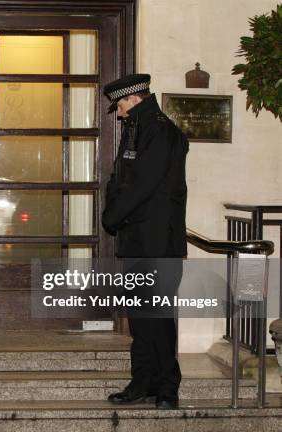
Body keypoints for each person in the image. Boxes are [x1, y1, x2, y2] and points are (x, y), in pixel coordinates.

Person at [101, 74, 189, 409]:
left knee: (159, 318)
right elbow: (119, 178)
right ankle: (143, 381)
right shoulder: (138, 128)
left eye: (121, 105)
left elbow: (143, 184)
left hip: (158, 243)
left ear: (135, 99)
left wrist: (111, 216)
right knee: (140, 317)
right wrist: (115, 209)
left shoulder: (161, 131)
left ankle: (167, 387)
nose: (119, 113)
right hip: (137, 240)